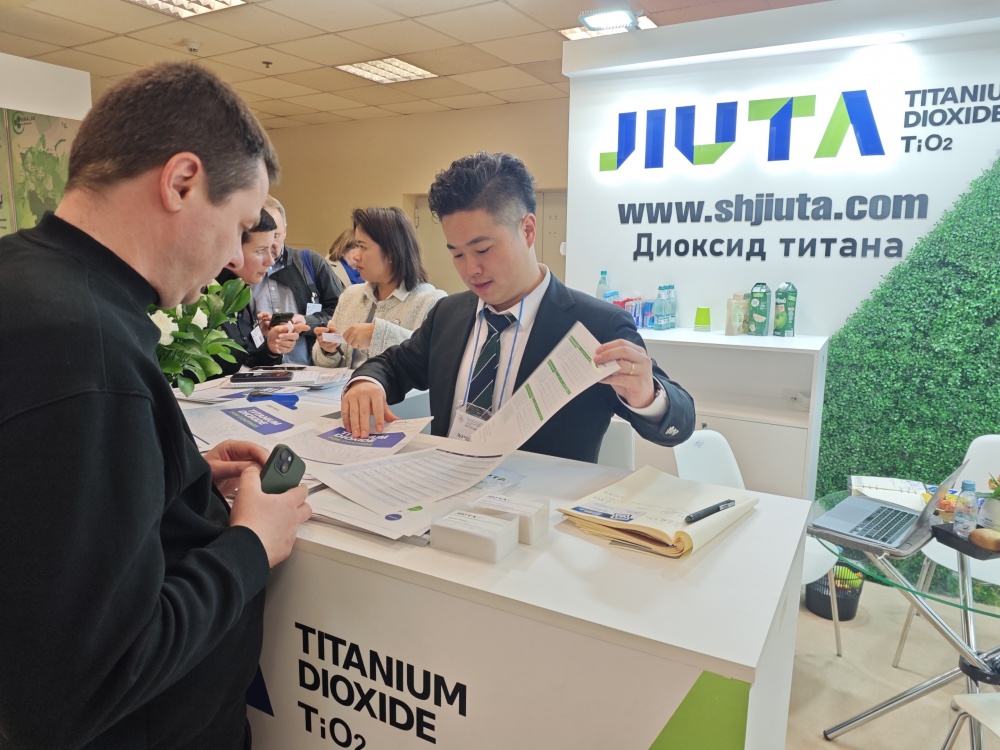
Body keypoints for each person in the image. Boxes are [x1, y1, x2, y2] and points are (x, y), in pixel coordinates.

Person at [0, 62, 312, 749]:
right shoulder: (83, 341)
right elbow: (83, 684)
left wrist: (169, 473)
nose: (234, 256)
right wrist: (252, 544)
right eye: (240, 224)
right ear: (182, 182)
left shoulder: (24, 277)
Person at [340, 152, 695, 463]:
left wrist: (648, 395)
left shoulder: (596, 325)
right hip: (447, 497)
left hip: (542, 511)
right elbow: (393, 365)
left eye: (483, 250)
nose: (470, 269)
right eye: (457, 254)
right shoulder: (448, 314)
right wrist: (367, 382)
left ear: (527, 230)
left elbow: (679, 424)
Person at [313, 207, 445, 369]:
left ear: (391, 252)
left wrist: (379, 335)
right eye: (356, 246)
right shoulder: (350, 296)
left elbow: (434, 360)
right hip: (344, 386)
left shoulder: (431, 301)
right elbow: (322, 362)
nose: (355, 256)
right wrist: (328, 350)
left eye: (363, 247)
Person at [213, 208, 310, 376]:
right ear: (233, 250)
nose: (270, 261)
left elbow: (248, 361)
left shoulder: (241, 291)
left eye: (270, 249)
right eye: (260, 251)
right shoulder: (201, 295)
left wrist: (271, 347)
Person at [254, 196, 341, 365]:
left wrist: (308, 321)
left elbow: (340, 312)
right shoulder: (239, 272)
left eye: (276, 236)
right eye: (263, 237)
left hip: (311, 370)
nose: (270, 244)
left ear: (285, 231)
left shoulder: (310, 262)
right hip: (258, 369)